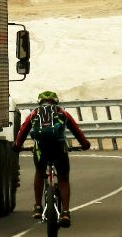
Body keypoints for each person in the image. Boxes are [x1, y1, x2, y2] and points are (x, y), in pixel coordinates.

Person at [14, 90, 89, 226]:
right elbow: (76, 130)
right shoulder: (62, 113)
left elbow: (23, 130)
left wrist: (17, 146)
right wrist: (85, 144)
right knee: (63, 178)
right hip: (59, 148)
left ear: (40, 102)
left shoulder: (34, 113)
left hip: (41, 149)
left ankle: (37, 207)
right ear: (56, 101)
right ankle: (65, 212)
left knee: (39, 172)